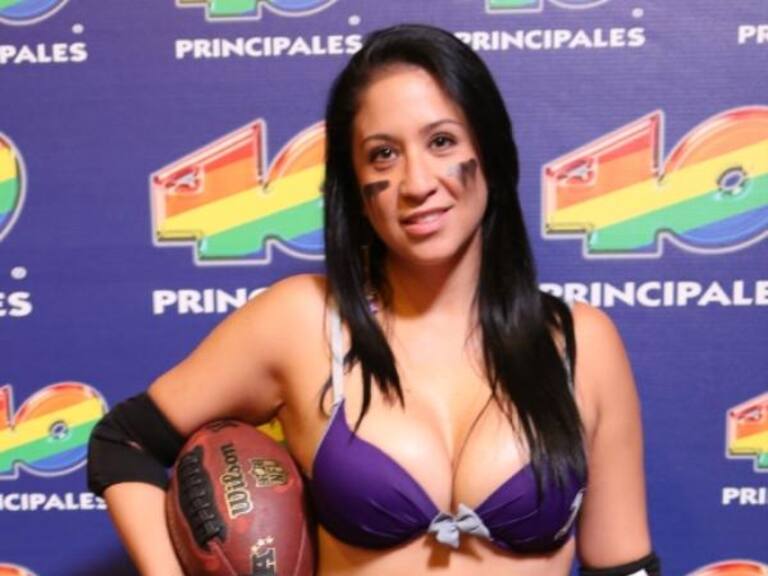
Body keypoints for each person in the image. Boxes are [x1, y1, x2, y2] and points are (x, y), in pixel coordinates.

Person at [88, 24, 657, 576]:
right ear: (354, 187)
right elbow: (123, 443)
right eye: (383, 154)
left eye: (442, 142)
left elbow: (623, 566)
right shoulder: (303, 322)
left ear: (491, 151)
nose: (417, 183)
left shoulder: (579, 343)